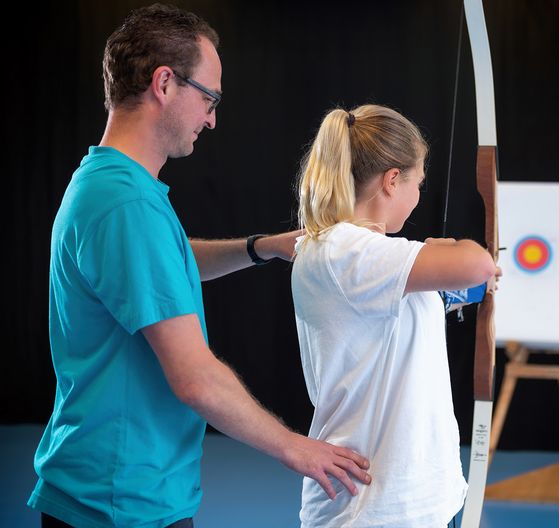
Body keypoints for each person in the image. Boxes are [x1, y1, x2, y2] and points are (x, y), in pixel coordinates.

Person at [28, 5, 370, 527]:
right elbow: (195, 379)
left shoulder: (112, 186)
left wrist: (261, 246)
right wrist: (297, 448)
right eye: (208, 97)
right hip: (120, 504)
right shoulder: (127, 205)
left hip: (117, 491)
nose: (211, 118)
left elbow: (164, 263)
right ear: (164, 83)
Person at [291, 105, 498, 527]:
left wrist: (458, 278)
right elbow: (476, 263)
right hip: (375, 508)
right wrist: (453, 251)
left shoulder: (365, 258)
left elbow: (414, 308)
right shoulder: (347, 249)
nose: (418, 195)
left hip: (416, 498)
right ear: (391, 181)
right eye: (417, 183)